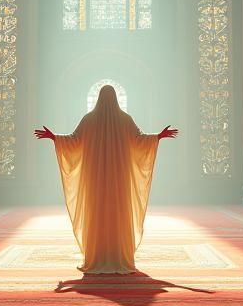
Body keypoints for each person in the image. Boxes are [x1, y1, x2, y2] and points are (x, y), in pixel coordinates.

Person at [34, 85, 178, 274]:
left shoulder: (89, 119)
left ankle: (97, 256)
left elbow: (73, 140)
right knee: (118, 213)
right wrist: (158, 136)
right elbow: (140, 139)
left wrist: (54, 137)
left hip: (94, 178)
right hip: (120, 179)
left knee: (97, 214)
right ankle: (119, 256)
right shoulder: (125, 119)